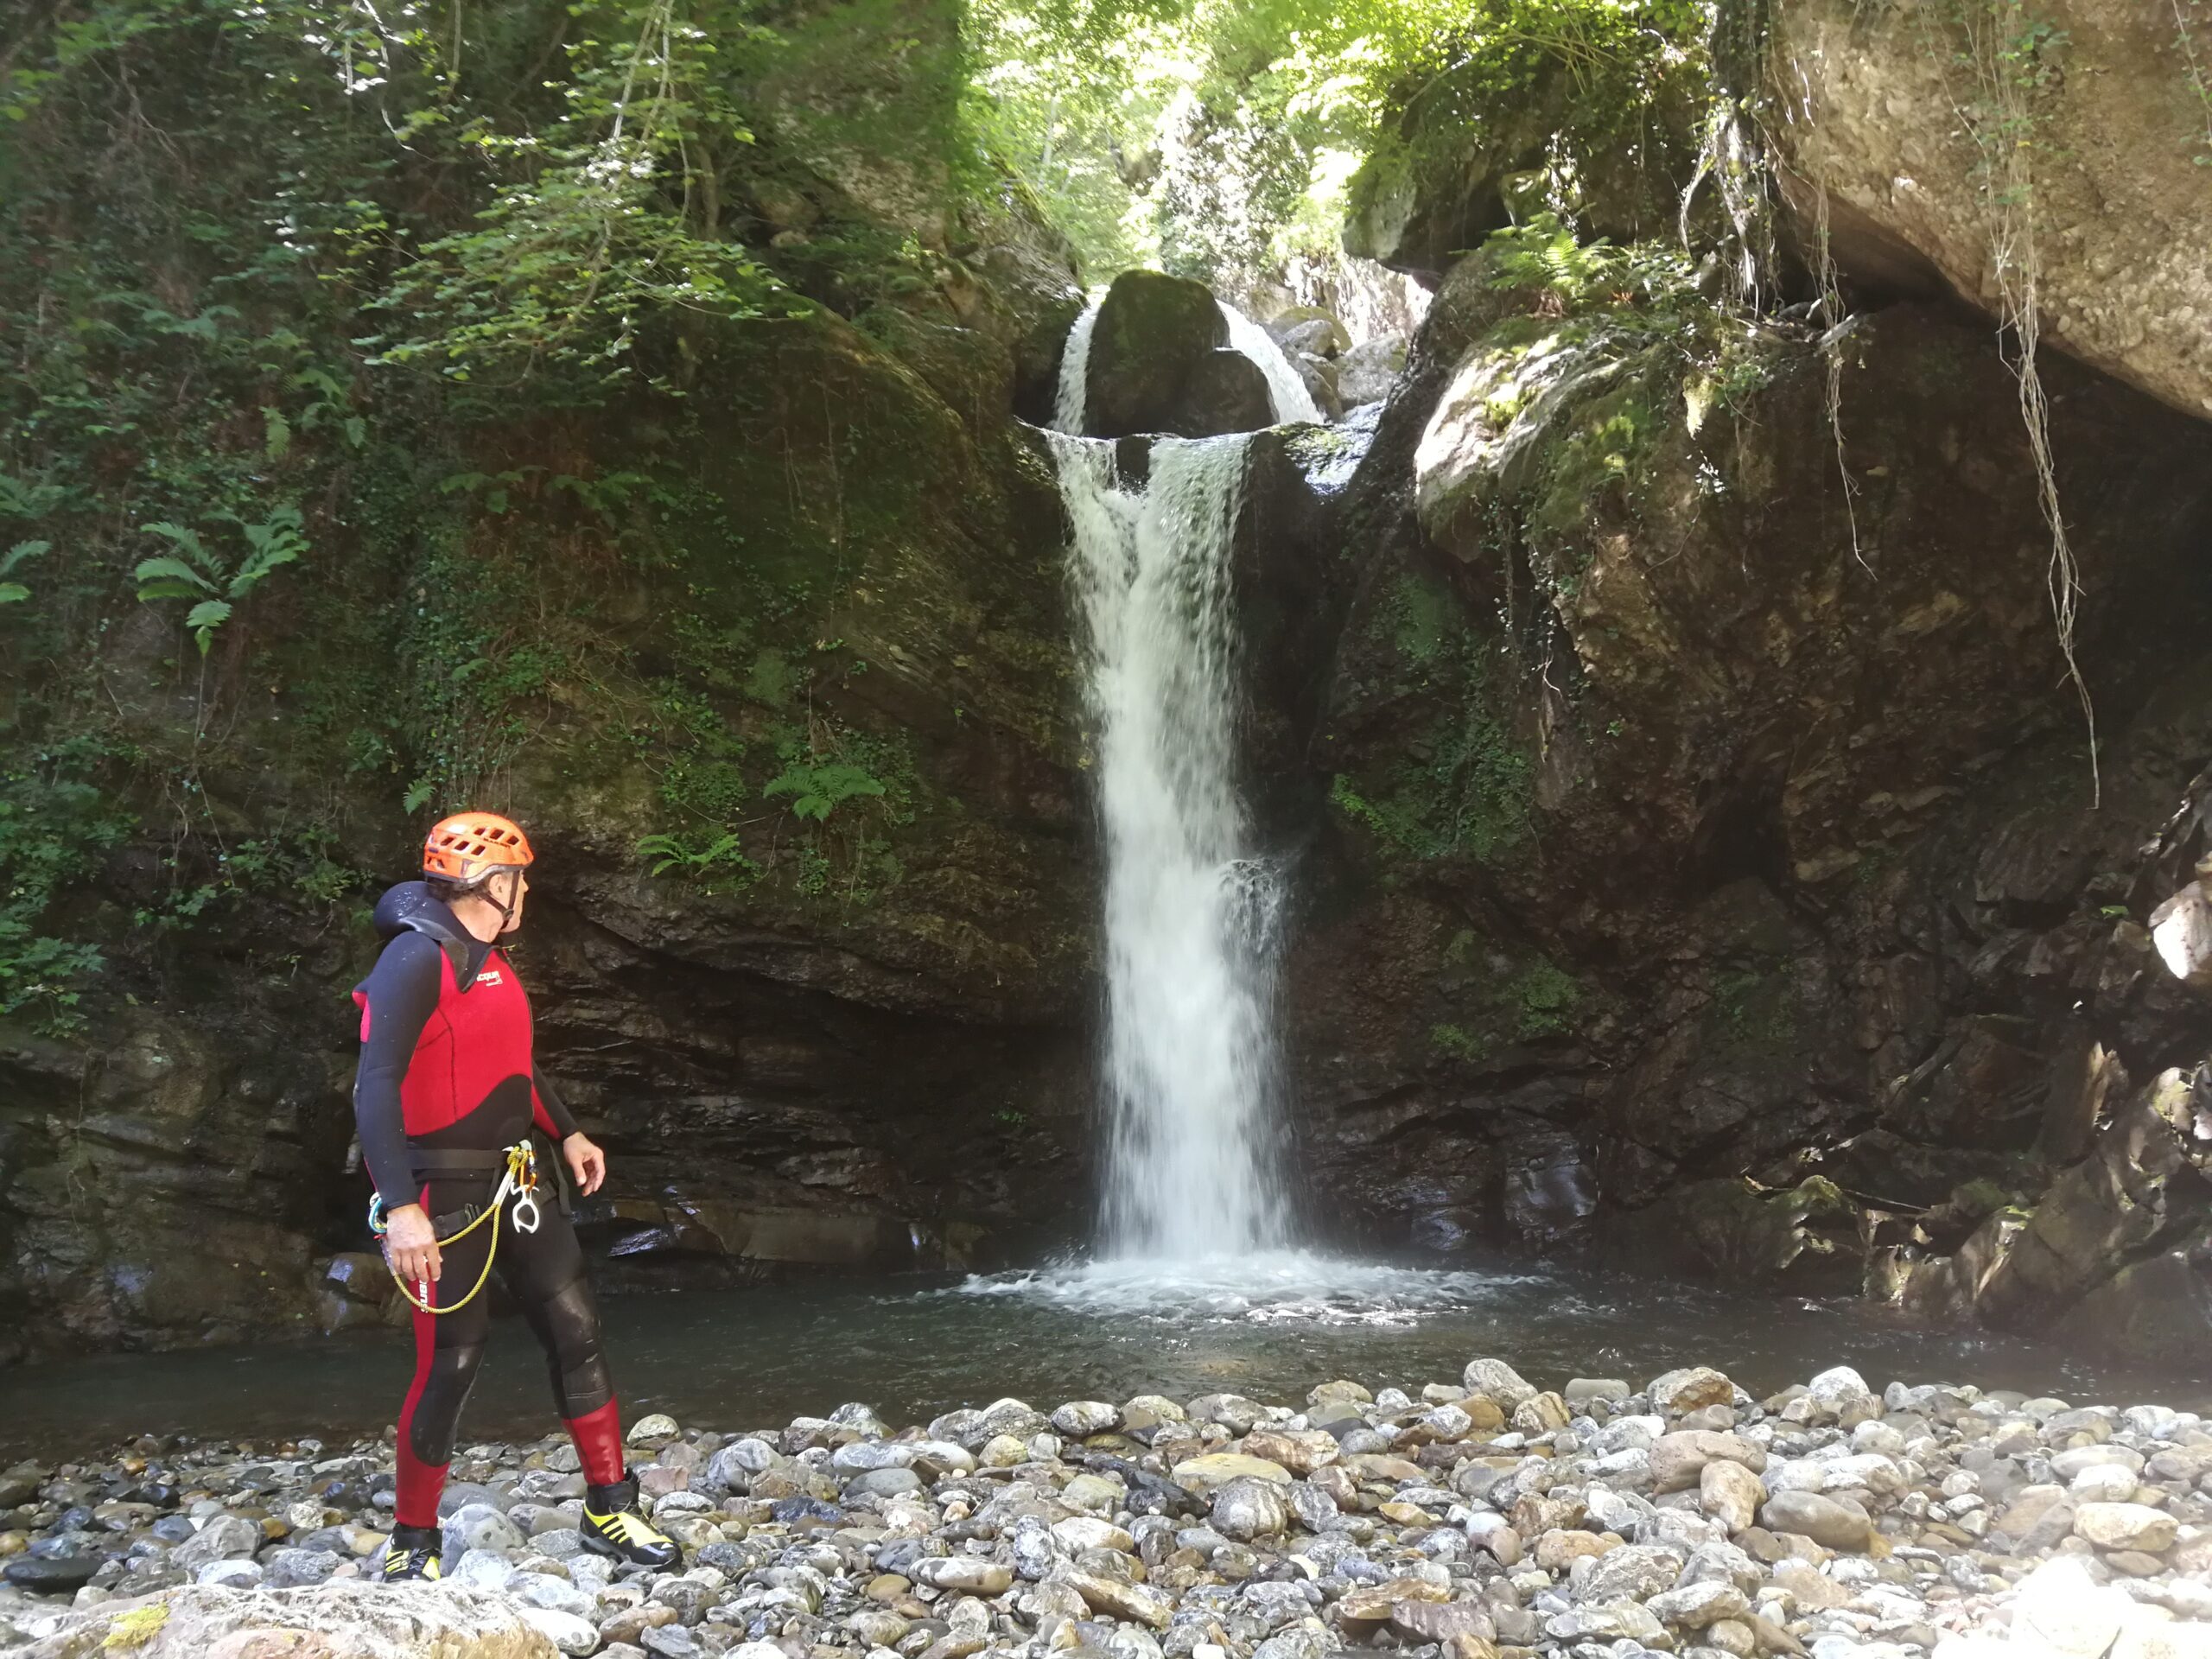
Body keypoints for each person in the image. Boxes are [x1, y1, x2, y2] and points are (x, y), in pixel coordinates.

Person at [351, 810, 678, 1581]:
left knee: (576, 1329)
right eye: (519, 880)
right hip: (442, 1191)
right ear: (494, 884)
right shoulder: (415, 958)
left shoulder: (488, 958)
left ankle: (609, 1505)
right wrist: (400, 1208)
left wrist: (567, 1131)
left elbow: (513, 1062)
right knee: (453, 1362)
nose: (525, 892)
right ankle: (413, 1544)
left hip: (518, 1177)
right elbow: (375, 1086)